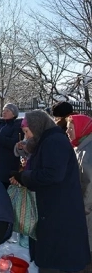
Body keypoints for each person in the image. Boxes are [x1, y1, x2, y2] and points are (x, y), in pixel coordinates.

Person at [11, 110, 90, 272]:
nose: (26, 137)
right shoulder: (48, 140)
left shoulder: (54, 141)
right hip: (55, 211)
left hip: (60, 215)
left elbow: (52, 174)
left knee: (57, 262)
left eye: (26, 132)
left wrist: (24, 177)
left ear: (36, 126)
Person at [66, 114, 92, 272]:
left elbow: (90, 183)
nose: (67, 131)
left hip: (87, 212)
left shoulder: (88, 151)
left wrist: (84, 207)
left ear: (82, 128)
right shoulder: (80, 146)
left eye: (71, 127)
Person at [0, 103, 23, 189]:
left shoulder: (17, 126)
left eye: (7, 111)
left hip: (9, 163)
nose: (4, 112)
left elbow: (13, 143)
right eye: (3, 110)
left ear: (14, 114)